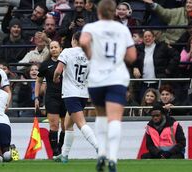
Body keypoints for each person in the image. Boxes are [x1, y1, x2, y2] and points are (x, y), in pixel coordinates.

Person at [79, 0, 137, 171]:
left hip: (97, 78)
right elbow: (132, 56)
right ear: (113, 12)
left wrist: (90, 55)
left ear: (98, 12)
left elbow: (83, 42)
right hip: (116, 77)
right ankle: (112, 157)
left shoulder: (91, 28)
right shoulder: (122, 29)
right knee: (114, 118)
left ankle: (101, 152)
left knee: (101, 115)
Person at [53, 32, 98, 163]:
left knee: (81, 123)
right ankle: (64, 155)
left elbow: (58, 70)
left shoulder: (67, 52)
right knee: (67, 125)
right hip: (83, 93)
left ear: (74, 40)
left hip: (70, 93)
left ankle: (99, 147)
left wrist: (56, 78)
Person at [35, 40, 66, 159]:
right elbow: (38, 81)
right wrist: (37, 97)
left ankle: (60, 147)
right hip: (51, 97)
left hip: (66, 96)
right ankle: (55, 152)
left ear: (61, 49)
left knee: (65, 126)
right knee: (53, 125)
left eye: (56, 47)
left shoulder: (66, 63)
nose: (53, 49)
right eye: (51, 47)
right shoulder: (45, 64)